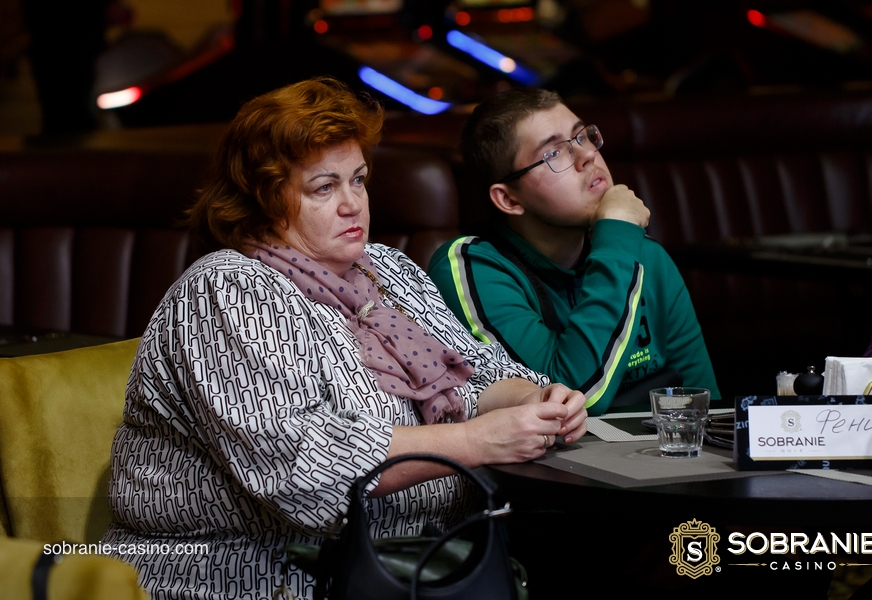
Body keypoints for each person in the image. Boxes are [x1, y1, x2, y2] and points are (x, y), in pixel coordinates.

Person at [101, 78, 587, 599]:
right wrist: (475, 442)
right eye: (324, 188)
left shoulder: (386, 270)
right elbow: (302, 469)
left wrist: (533, 399)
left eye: (358, 180)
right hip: (253, 575)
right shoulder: (227, 289)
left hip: (414, 565)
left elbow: (473, 375)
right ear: (265, 200)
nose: (353, 203)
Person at [428, 88, 720, 415]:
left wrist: (620, 242)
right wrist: (617, 234)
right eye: (554, 153)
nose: (587, 156)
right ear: (509, 199)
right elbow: (571, 402)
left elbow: (704, 406)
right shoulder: (471, 267)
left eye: (582, 137)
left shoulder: (646, 256)